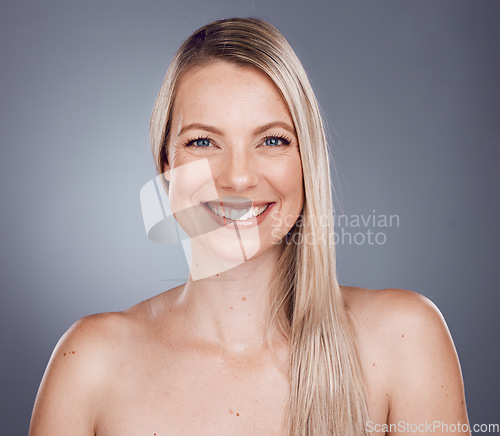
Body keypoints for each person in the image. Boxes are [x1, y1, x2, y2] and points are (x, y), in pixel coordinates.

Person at [29, 17, 470, 435]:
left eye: (272, 140)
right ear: (167, 165)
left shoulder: (404, 341)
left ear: (306, 162)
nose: (238, 177)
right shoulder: (89, 365)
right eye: (203, 141)